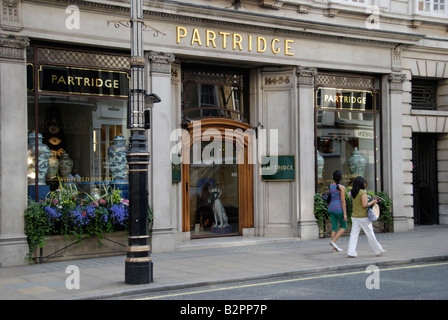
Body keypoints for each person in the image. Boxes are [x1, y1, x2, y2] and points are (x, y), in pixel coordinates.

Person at [347, 176, 386, 258]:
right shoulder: (363, 192)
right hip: (363, 217)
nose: (365, 184)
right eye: (364, 182)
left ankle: (351, 252)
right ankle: (378, 250)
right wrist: (372, 202)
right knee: (370, 234)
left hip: (354, 216)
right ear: (361, 183)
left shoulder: (353, 192)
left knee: (353, 235)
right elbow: (365, 205)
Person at [328, 170, 347, 252]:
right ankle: (334, 241)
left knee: (334, 227)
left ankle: (333, 248)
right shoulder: (341, 187)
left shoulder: (330, 186)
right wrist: (345, 214)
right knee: (344, 226)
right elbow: (343, 201)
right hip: (338, 209)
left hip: (331, 208)